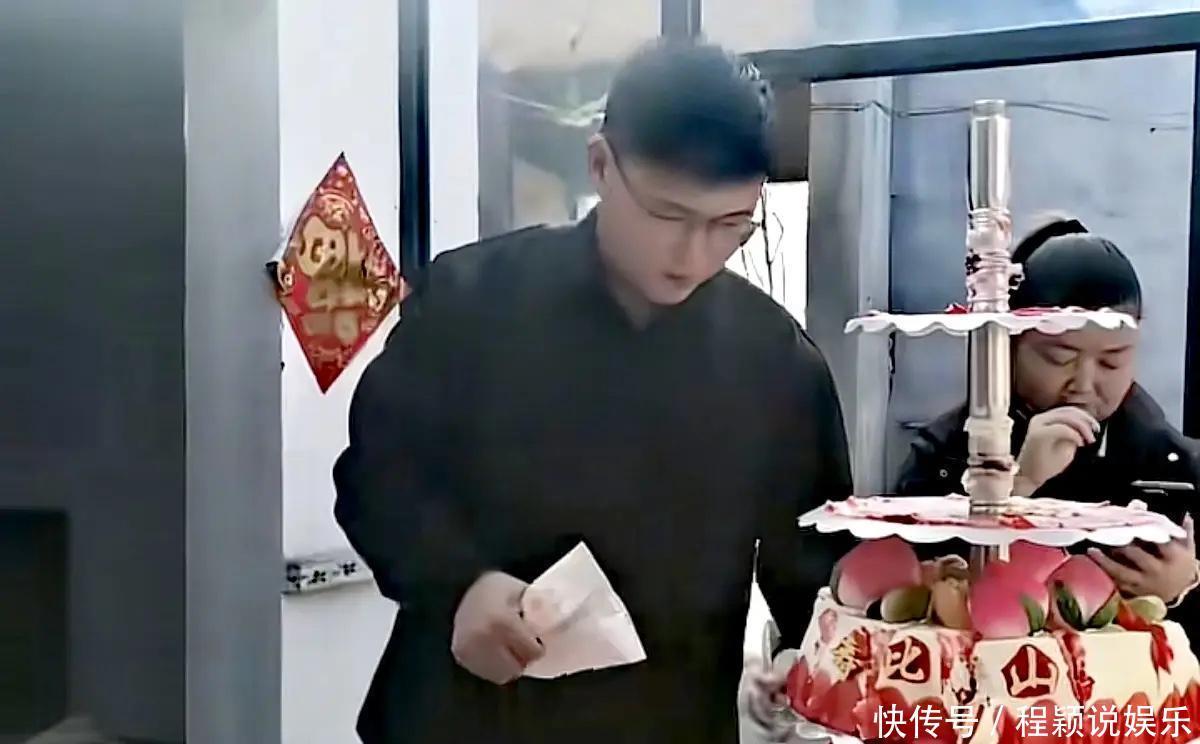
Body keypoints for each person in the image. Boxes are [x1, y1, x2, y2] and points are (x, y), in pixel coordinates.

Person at [333, 40, 852, 744]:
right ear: (601, 164)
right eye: (668, 216)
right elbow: (377, 476)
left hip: (665, 724)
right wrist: (459, 585)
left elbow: (814, 567)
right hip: (464, 717)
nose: (693, 256)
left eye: (729, 225)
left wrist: (807, 663)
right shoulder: (471, 302)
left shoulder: (775, 362)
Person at [896, 216, 1200, 620]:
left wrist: (1182, 586)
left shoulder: (1171, 465)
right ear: (1009, 348)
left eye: (1112, 361)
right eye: (1059, 358)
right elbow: (897, 593)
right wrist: (1015, 486)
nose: (1084, 384)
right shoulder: (946, 453)